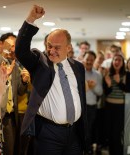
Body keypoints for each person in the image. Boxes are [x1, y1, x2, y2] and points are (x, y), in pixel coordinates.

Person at [15, 5, 88, 155]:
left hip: (74, 132)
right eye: (49, 46)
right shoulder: (40, 62)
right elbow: (21, 50)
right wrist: (31, 19)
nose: (51, 51)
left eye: (57, 47)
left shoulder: (78, 67)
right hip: (48, 133)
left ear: (68, 48)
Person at [0, 33, 29, 155]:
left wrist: (24, 81)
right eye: (10, 45)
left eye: (14, 46)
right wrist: (2, 55)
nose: (12, 49)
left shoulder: (13, 62)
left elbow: (19, 91)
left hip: (11, 115)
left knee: (10, 150)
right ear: (1, 44)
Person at [103, 54, 126, 155]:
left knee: (117, 133)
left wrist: (119, 82)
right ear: (112, 62)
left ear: (122, 63)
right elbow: (106, 93)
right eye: (115, 60)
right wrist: (108, 85)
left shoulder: (127, 75)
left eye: (119, 60)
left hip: (121, 107)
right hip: (108, 107)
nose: (117, 62)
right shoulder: (108, 75)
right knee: (110, 132)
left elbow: (128, 90)